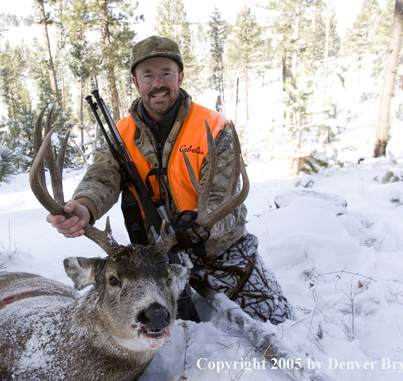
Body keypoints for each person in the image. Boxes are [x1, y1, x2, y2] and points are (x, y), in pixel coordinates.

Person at [46, 36, 291, 325]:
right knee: (138, 329)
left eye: (166, 73)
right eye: (148, 75)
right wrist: (84, 207)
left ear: (180, 76)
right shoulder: (120, 133)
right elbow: (101, 176)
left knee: (279, 321)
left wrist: (202, 224)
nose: (158, 83)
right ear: (136, 83)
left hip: (219, 248)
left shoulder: (214, 127)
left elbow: (224, 197)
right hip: (156, 258)